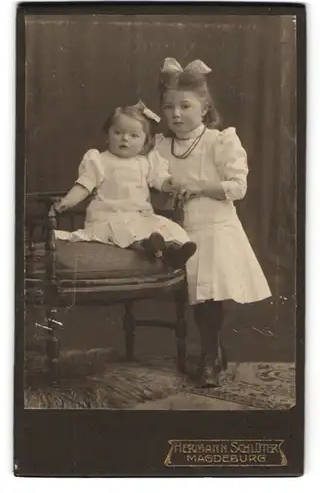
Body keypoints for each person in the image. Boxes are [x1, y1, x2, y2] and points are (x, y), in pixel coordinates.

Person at [155, 58, 272, 387]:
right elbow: (151, 177)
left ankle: (209, 356)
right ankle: (212, 350)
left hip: (214, 227)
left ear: (205, 108)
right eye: (168, 107)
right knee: (188, 289)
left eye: (185, 106)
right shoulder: (161, 146)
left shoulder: (220, 142)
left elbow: (238, 187)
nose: (175, 114)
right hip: (177, 229)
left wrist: (198, 187)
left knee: (208, 294)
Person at [53, 100, 196, 269]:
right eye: (118, 133)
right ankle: (148, 248)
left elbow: (159, 180)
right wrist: (67, 201)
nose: (125, 139)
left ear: (145, 141)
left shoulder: (146, 161)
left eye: (133, 135)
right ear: (108, 134)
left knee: (170, 229)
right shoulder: (99, 160)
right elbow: (84, 184)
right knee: (125, 233)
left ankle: (172, 252)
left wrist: (169, 183)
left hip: (139, 217)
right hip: (109, 218)